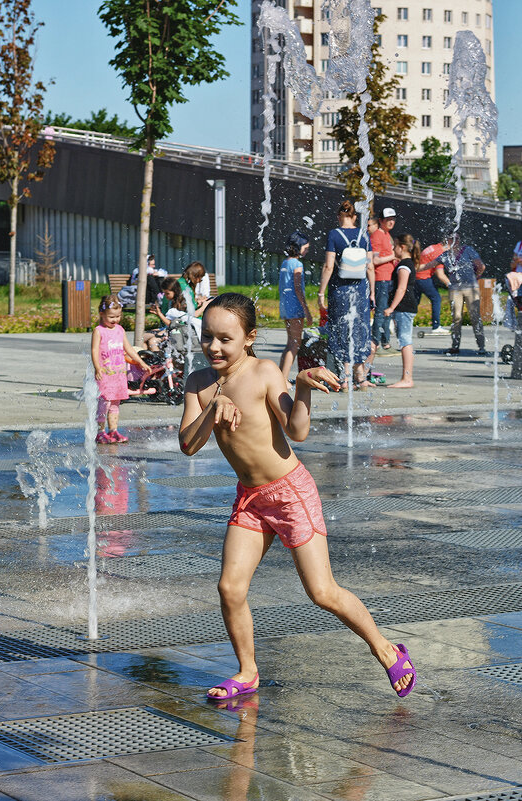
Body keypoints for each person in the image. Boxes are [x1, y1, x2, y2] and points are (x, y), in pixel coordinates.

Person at [179, 292, 416, 700]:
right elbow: (187, 444)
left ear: (249, 337)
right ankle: (247, 671)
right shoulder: (199, 385)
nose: (213, 347)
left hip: (290, 494)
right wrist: (212, 407)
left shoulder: (265, 372)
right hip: (250, 499)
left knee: (322, 592)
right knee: (230, 588)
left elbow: (297, 430)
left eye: (225, 338)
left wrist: (302, 386)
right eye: (207, 337)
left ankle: (386, 647)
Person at [318, 200, 375, 390]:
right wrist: (372, 292)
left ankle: (346, 377)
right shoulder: (364, 234)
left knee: (342, 331)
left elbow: (328, 266)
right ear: (355, 217)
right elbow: (370, 267)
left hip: (340, 290)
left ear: (339, 216)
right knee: (360, 329)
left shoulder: (334, 234)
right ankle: (361, 376)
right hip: (360, 290)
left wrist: (321, 293)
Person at [91, 295, 151, 444]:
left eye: (118, 316)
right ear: (101, 314)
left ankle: (113, 431)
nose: (115, 320)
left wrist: (140, 362)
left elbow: (128, 348)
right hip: (105, 375)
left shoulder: (120, 330)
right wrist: (97, 367)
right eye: (111, 317)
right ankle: (100, 432)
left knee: (115, 405)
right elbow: (94, 350)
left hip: (118, 375)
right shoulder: (99, 331)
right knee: (104, 404)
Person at [435, 235, 487, 355]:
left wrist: (476, 277)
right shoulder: (446, 254)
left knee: (475, 317)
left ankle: (481, 346)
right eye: (451, 238)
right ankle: (455, 345)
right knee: (456, 317)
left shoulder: (468, 250)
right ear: (447, 240)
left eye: (456, 238)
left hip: (470, 288)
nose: (454, 241)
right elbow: (431, 265)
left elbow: (481, 266)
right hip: (455, 289)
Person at [384, 234, 419, 389]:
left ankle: (407, 378)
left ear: (402, 247)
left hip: (404, 306)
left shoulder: (404, 265)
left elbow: (402, 288)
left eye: (395, 245)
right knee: (404, 340)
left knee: (405, 341)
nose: (393, 248)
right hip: (406, 307)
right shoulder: (407, 263)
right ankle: (406, 377)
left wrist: (391, 307)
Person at [278, 230, 313, 387]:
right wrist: (307, 310)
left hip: (285, 307)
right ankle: (283, 379)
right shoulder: (297, 265)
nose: (307, 251)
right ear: (298, 247)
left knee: (289, 343)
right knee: (294, 344)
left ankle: (279, 377)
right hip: (295, 308)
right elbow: (298, 288)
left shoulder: (285, 263)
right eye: (305, 247)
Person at [369, 207, 398, 353]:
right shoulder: (377, 235)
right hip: (381, 279)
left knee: (387, 312)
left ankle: (385, 342)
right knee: (380, 312)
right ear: (381, 221)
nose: (391, 222)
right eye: (388, 219)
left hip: (389, 278)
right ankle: (376, 343)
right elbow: (374, 260)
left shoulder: (387, 235)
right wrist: (393, 256)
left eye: (393, 219)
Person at [415, 243, 451, 334]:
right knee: (436, 299)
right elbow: (440, 274)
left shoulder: (433, 247)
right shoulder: (439, 253)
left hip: (416, 278)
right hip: (424, 278)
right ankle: (436, 326)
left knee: (415, 302)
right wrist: (452, 286)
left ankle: (398, 323)